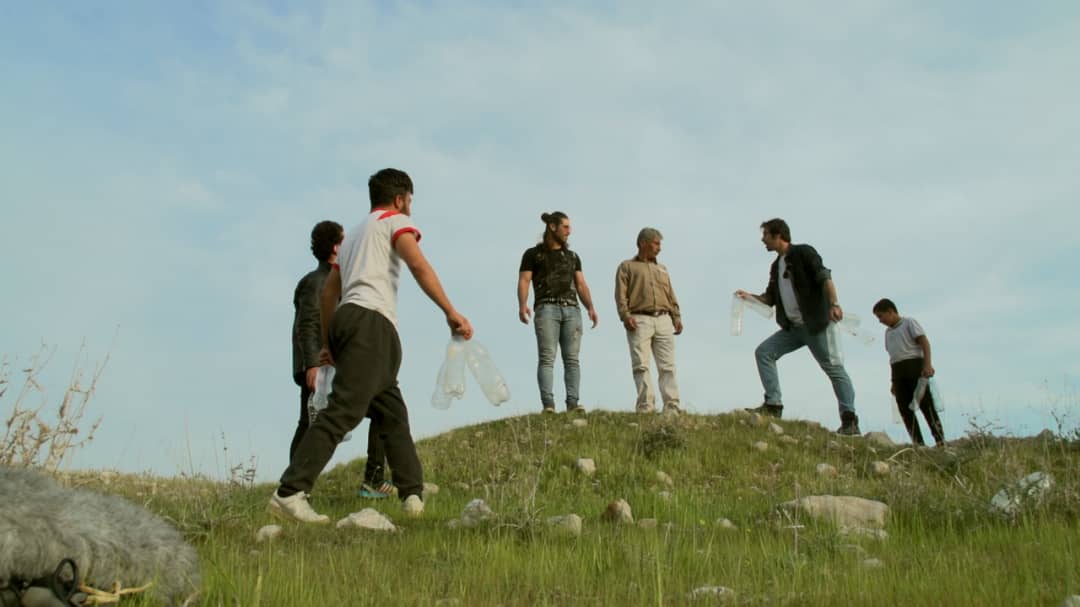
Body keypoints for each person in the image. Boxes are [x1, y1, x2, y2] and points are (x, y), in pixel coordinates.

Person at [270, 168, 473, 523]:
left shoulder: (352, 238)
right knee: (344, 409)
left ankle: (412, 494)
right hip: (372, 323)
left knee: (391, 412)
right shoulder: (394, 222)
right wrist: (450, 311)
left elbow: (330, 292)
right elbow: (418, 264)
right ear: (400, 199)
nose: (409, 207)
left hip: (350, 320)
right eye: (409, 201)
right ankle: (289, 491)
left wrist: (331, 340)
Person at [291, 221, 393, 500]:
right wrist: (313, 364)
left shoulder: (339, 280)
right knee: (310, 424)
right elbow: (308, 323)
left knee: (381, 411)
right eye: (345, 241)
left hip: (341, 364)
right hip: (322, 367)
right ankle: (296, 489)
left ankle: (372, 479)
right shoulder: (317, 281)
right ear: (336, 247)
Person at [735, 218, 860, 435]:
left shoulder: (804, 253)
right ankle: (773, 405)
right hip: (792, 329)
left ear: (777, 235)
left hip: (816, 325)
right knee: (764, 352)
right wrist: (749, 297)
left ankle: (850, 420)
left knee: (834, 369)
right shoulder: (776, 266)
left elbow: (825, 277)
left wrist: (834, 304)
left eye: (765, 235)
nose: (763, 240)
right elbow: (770, 298)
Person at [518, 211, 599, 413]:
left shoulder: (572, 257)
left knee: (572, 359)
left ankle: (573, 403)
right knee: (547, 358)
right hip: (546, 308)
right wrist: (522, 304)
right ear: (552, 227)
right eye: (565, 227)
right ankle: (548, 404)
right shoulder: (533, 254)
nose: (569, 231)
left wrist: (590, 307)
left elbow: (581, 283)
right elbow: (524, 280)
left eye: (569, 227)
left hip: (572, 309)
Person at [615, 227, 684, 414]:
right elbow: (620, 296)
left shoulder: (662, 269)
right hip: (639, 319)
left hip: (664, 319)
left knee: (667, 365)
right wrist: (626, 315)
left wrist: (676, 316)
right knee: (641, 365)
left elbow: (670, 294)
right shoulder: (626, 266)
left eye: (659, 244)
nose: (659, 248)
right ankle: (646, 406)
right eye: (656, 243)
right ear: (642, 243)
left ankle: (672, 406)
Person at [872, 298, 944, 446]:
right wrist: (893, 382)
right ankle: (918, 443)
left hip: (914, 367)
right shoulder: (888, 333)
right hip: (898, 372)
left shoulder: (909, 323)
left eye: (881, 316)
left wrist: (927, 365)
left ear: (890, 312)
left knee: (926, 405)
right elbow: (892, 357)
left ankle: (940, 441)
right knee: (904, 409)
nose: (880, 321)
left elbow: (924, 342)